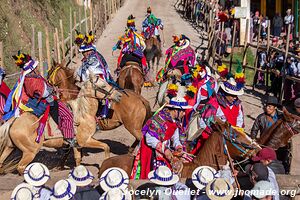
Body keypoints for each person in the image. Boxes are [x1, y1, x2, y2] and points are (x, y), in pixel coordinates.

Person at [3, 51, 76, 146]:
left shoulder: (31, 77)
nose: (37, 68)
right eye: (35, 67)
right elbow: (43, 93)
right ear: (32, 69)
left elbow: (44, 87)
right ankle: (69, 138)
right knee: (67, 115)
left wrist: (52, 88)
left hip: (45, 100)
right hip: (47, 102)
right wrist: (53, 90)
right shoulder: (32, 79)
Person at [130, 91, 193, 179]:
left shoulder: (176, 121)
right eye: (183, 111)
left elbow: (175, 137)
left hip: (165, 148)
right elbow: (149, 138)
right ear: (175, 110)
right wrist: (165, 150)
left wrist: (178, 146)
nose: (184, 113)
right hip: (151, 148)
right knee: (160, 168)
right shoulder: (159, 119)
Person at [112, 15, 149, 82]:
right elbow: (143, 46)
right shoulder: (138, 36)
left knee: (120, 58)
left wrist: (117, 46)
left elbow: (120, 43)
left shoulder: (125, 36)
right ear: (134, 26)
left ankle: (118, 71)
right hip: (137, 55)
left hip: (127, 56)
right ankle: (145, 73)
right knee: (143, 59)